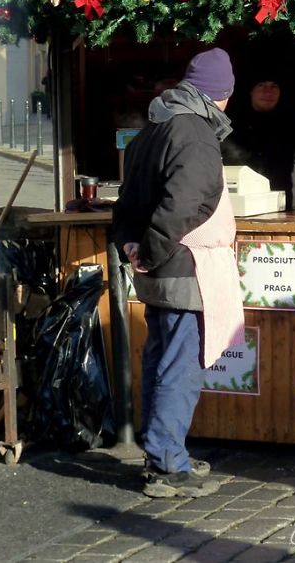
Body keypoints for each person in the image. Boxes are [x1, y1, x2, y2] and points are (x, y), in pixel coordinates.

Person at [112, 48, 246, 499]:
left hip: (159, 267)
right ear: (221, 94)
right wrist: (150, 249)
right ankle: (169, 465)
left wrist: (135, 245)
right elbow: (191, 200)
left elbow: (127, 201)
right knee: (179, 368)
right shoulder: (194, 131)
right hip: (185, 267)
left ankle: (162, 452)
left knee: (159, 362)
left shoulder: (157, 127)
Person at [222, 72, 295, 210]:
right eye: (261, 85)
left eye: (274, 86)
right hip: (241, 208)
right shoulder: (229, 126)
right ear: (251, 91)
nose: (268, 92)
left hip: (286, 206)